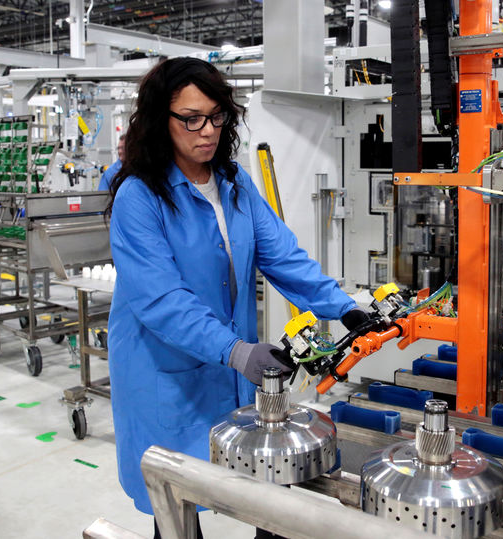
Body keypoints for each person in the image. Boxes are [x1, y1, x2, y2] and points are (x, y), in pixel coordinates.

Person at [106, 57, 368, 538]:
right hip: (165, 375)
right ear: (159, 122)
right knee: (177, 499)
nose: (206, 131)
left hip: (232, 370)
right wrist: (235, 350)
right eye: (190, 119)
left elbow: (283, 256)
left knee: (261, 494)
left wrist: (345, 307)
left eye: (216, 116)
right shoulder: (139, 198)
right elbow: (162, 300)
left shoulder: (234, 183)